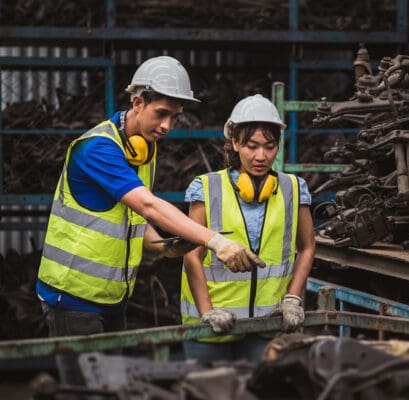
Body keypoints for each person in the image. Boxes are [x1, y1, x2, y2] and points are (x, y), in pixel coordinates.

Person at [36, 56, 265, 385]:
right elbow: (147, 205)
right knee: (87, 391)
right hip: (71, 298)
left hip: (111, 297)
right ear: (138, 102)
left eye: (175, 116)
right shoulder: (98, 150)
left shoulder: (143, 150)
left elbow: (127, 219)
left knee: (113, 387)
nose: (168, 126)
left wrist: (162, 246)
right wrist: (215, 241)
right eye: (162, 114)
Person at [180, 94, 315, 363]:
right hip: (209, 330)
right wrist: (208, 312)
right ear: (234, 143)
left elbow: (307, 247)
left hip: (266, 327)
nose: (261, 156)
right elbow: (191, 255)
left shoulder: (293, 189)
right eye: (251, 146)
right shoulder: (207, 188)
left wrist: (292, 298)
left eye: (269, 146)